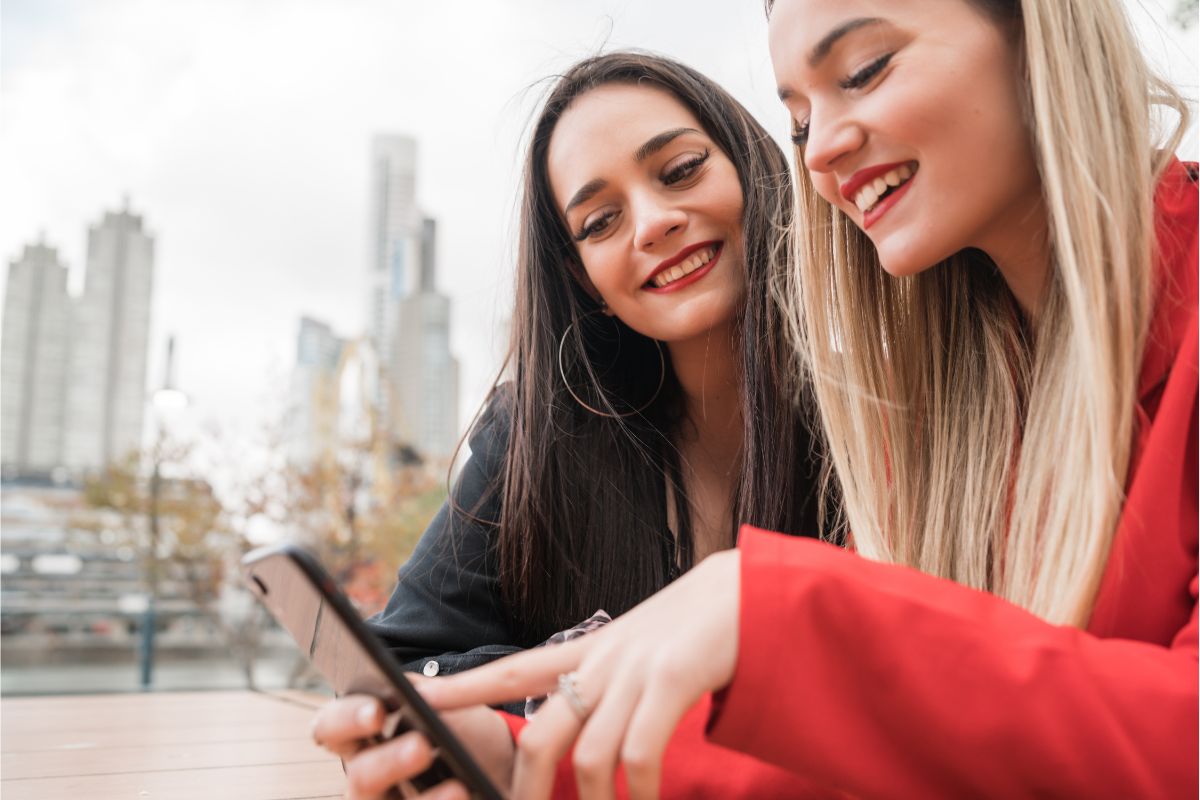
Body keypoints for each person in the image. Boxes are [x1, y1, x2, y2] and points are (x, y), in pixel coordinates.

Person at [380, 0, 1196, 797]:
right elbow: (910, 749)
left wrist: (783, 614)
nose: (822, 151)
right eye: (800, 122)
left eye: (865, 70)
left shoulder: (886, 422)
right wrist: (519, 755)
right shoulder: (972, 404)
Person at [312, 52, 837, 796]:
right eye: (599, 221)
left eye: (681, 170)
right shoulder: (539, 435)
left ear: (753, 165)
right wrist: (550, 693)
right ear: (580, 277)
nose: (653, 225)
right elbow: (394, 664)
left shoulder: (880, 419)